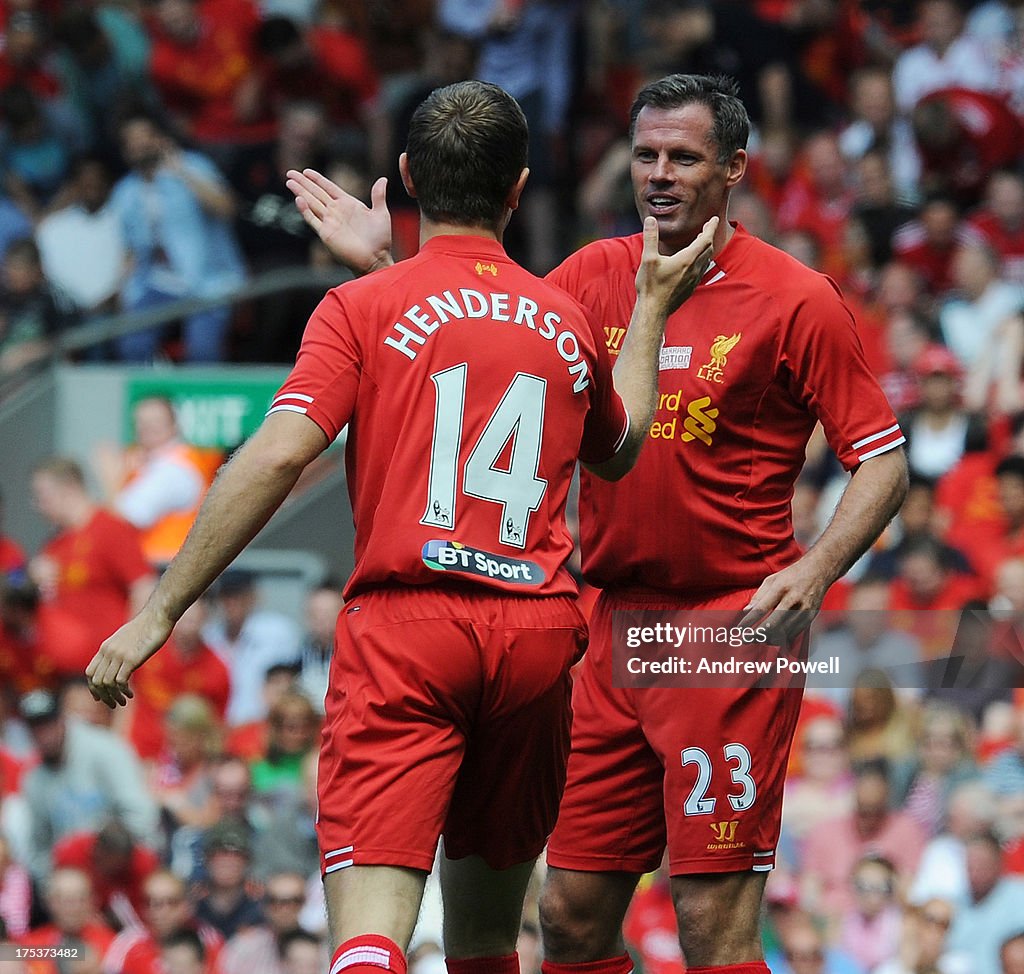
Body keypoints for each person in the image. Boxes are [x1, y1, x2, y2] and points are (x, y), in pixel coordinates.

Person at [86, 79, 715, 974]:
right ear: (519, 188)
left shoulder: (360, 308)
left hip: (408, 632)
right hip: (536, 636)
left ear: (410, 176)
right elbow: (617, 452)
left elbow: (272, 457)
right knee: (489, 940)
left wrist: (159, 610)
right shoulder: (566, 320)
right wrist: (649, 310)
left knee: (372, 939)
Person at [287, 73, 909, 974]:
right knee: (570, 916)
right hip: (603, 627)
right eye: (646, 154)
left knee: (709, 921)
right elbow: (496, 361)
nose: (659, 174)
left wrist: (813, 572)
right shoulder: (588, 275)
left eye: (684, 158)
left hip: (725, 631)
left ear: (734, 167)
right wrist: (387, 267)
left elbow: (883, 460)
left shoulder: (795, 297)